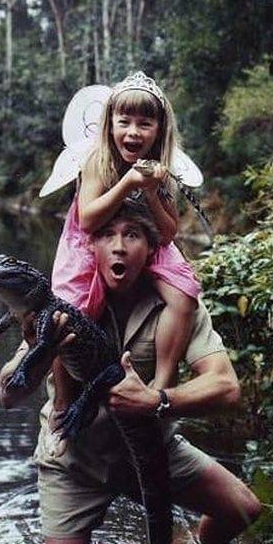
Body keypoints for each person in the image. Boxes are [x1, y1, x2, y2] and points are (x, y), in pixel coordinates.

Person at [0, 201, 261, 544]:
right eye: (106, 235)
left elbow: (226, 387)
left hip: (153, 446)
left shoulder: (180, 303)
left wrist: (157, 399)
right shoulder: (66, 301)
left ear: (151, 247)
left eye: (132, 235)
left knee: (242, 509)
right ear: (90, 246)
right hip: (75, 458)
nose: (119, 247)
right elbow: (8, 394)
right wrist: (39, 346)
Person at [52, 71, 201, 407]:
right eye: (125, 122)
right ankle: (63, 400)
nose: (133, 131)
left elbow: (168, 232)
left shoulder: (162, 169)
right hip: (93, 238)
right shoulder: (96, 161)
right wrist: (127, 185)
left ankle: (160, 384)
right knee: (68, 310)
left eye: (144, 124)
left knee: (184, 294)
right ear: (110, 125)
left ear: (159, 130)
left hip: (145, 239)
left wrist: (150, 191)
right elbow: (88, 219)